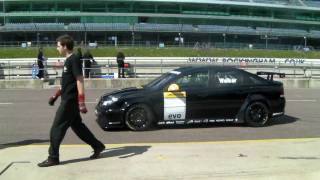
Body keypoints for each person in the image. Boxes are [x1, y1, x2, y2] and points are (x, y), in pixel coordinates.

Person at [38, 35, 105, 167]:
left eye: (58, 45)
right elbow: (66, 83)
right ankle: (98, 146)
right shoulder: (68, 61)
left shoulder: (74, 59)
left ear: (64, 46)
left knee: (56, 129)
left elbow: (79, 80)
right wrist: (55, 96)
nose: (57, 48)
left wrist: (81, 102)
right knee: (79, 128)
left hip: (70, 101)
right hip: (68, 99)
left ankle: (53, 157)